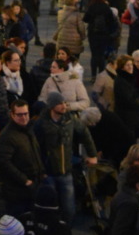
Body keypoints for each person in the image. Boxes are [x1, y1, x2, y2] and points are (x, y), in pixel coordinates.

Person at [34, 93, 97, 226]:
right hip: (49, 173)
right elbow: (36, 148)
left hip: (66, 171)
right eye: (60, 103)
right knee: (52, 208)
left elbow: (85, 133)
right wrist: (41, 169)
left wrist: (92, 154)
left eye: (64, 103)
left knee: (69, 210)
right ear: (52, 106)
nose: (64, 106)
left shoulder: (70, 119)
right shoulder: (41, 124)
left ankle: (65, 233)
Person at [0, 98, 44, 220]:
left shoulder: (28, 129)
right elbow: (4, 162)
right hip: (17, 191)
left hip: (32, 185)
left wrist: (41, 172)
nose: (24, 117)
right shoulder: (8, 136)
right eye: (19, 115)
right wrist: (24, 180)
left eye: (26, 114)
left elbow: (35, 152)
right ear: (12, 115)